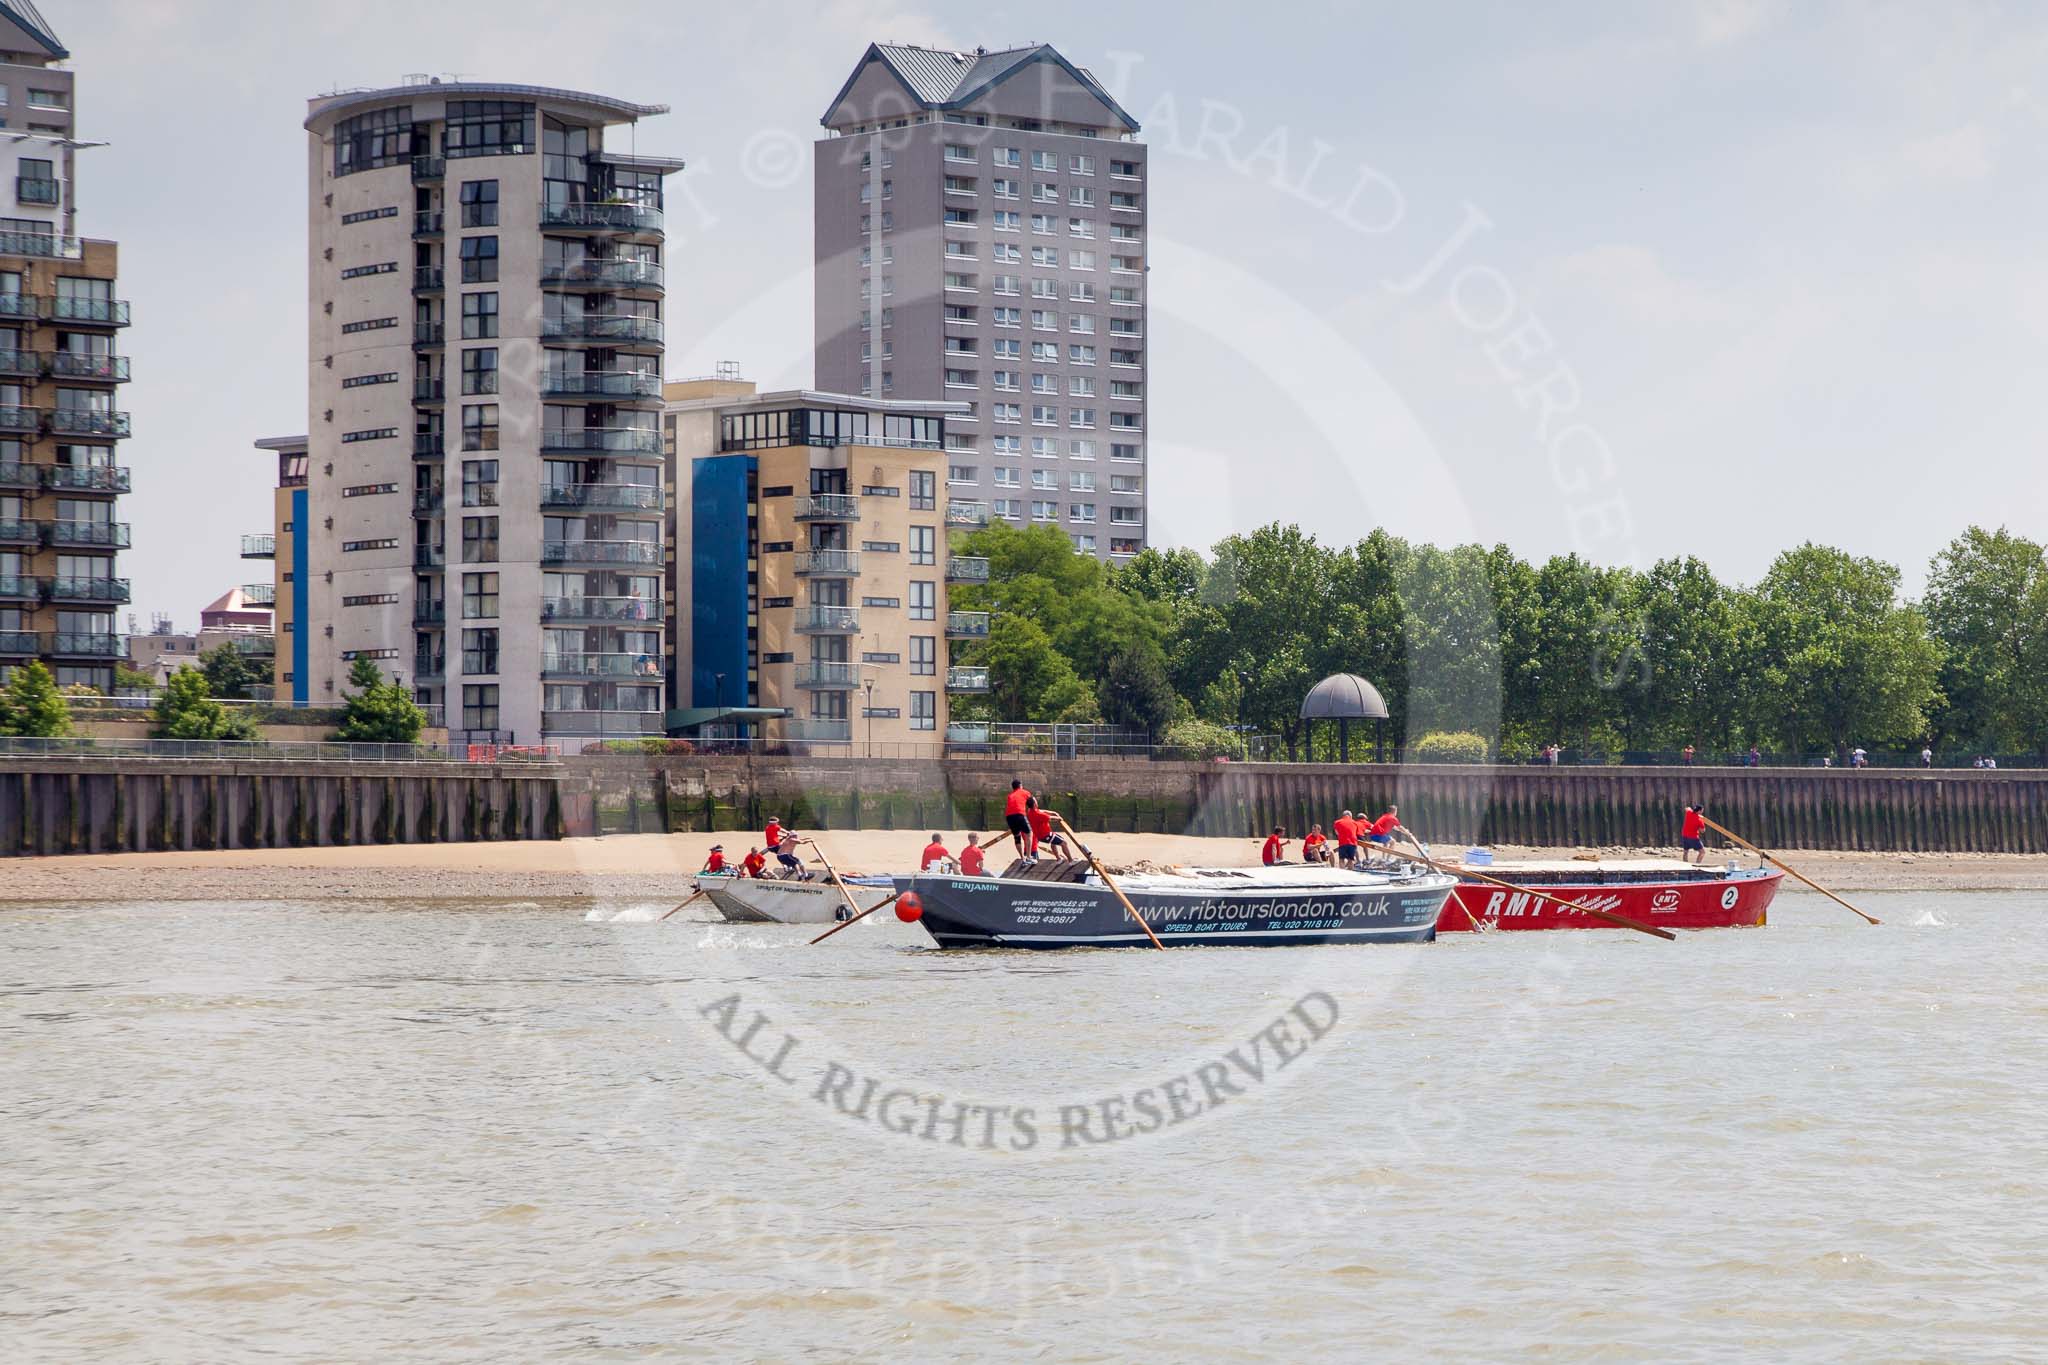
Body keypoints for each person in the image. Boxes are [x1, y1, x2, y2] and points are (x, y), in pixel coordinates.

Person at [1004, 779, 1034, 860]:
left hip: (1009, 817)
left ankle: (1022, 857)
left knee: (1017, 837)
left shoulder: (1010, 795)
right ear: (1020, 785)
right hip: (1019, 814)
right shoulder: (1025, 792)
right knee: (1029, 833)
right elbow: (1031, 805)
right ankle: (1028, 856)